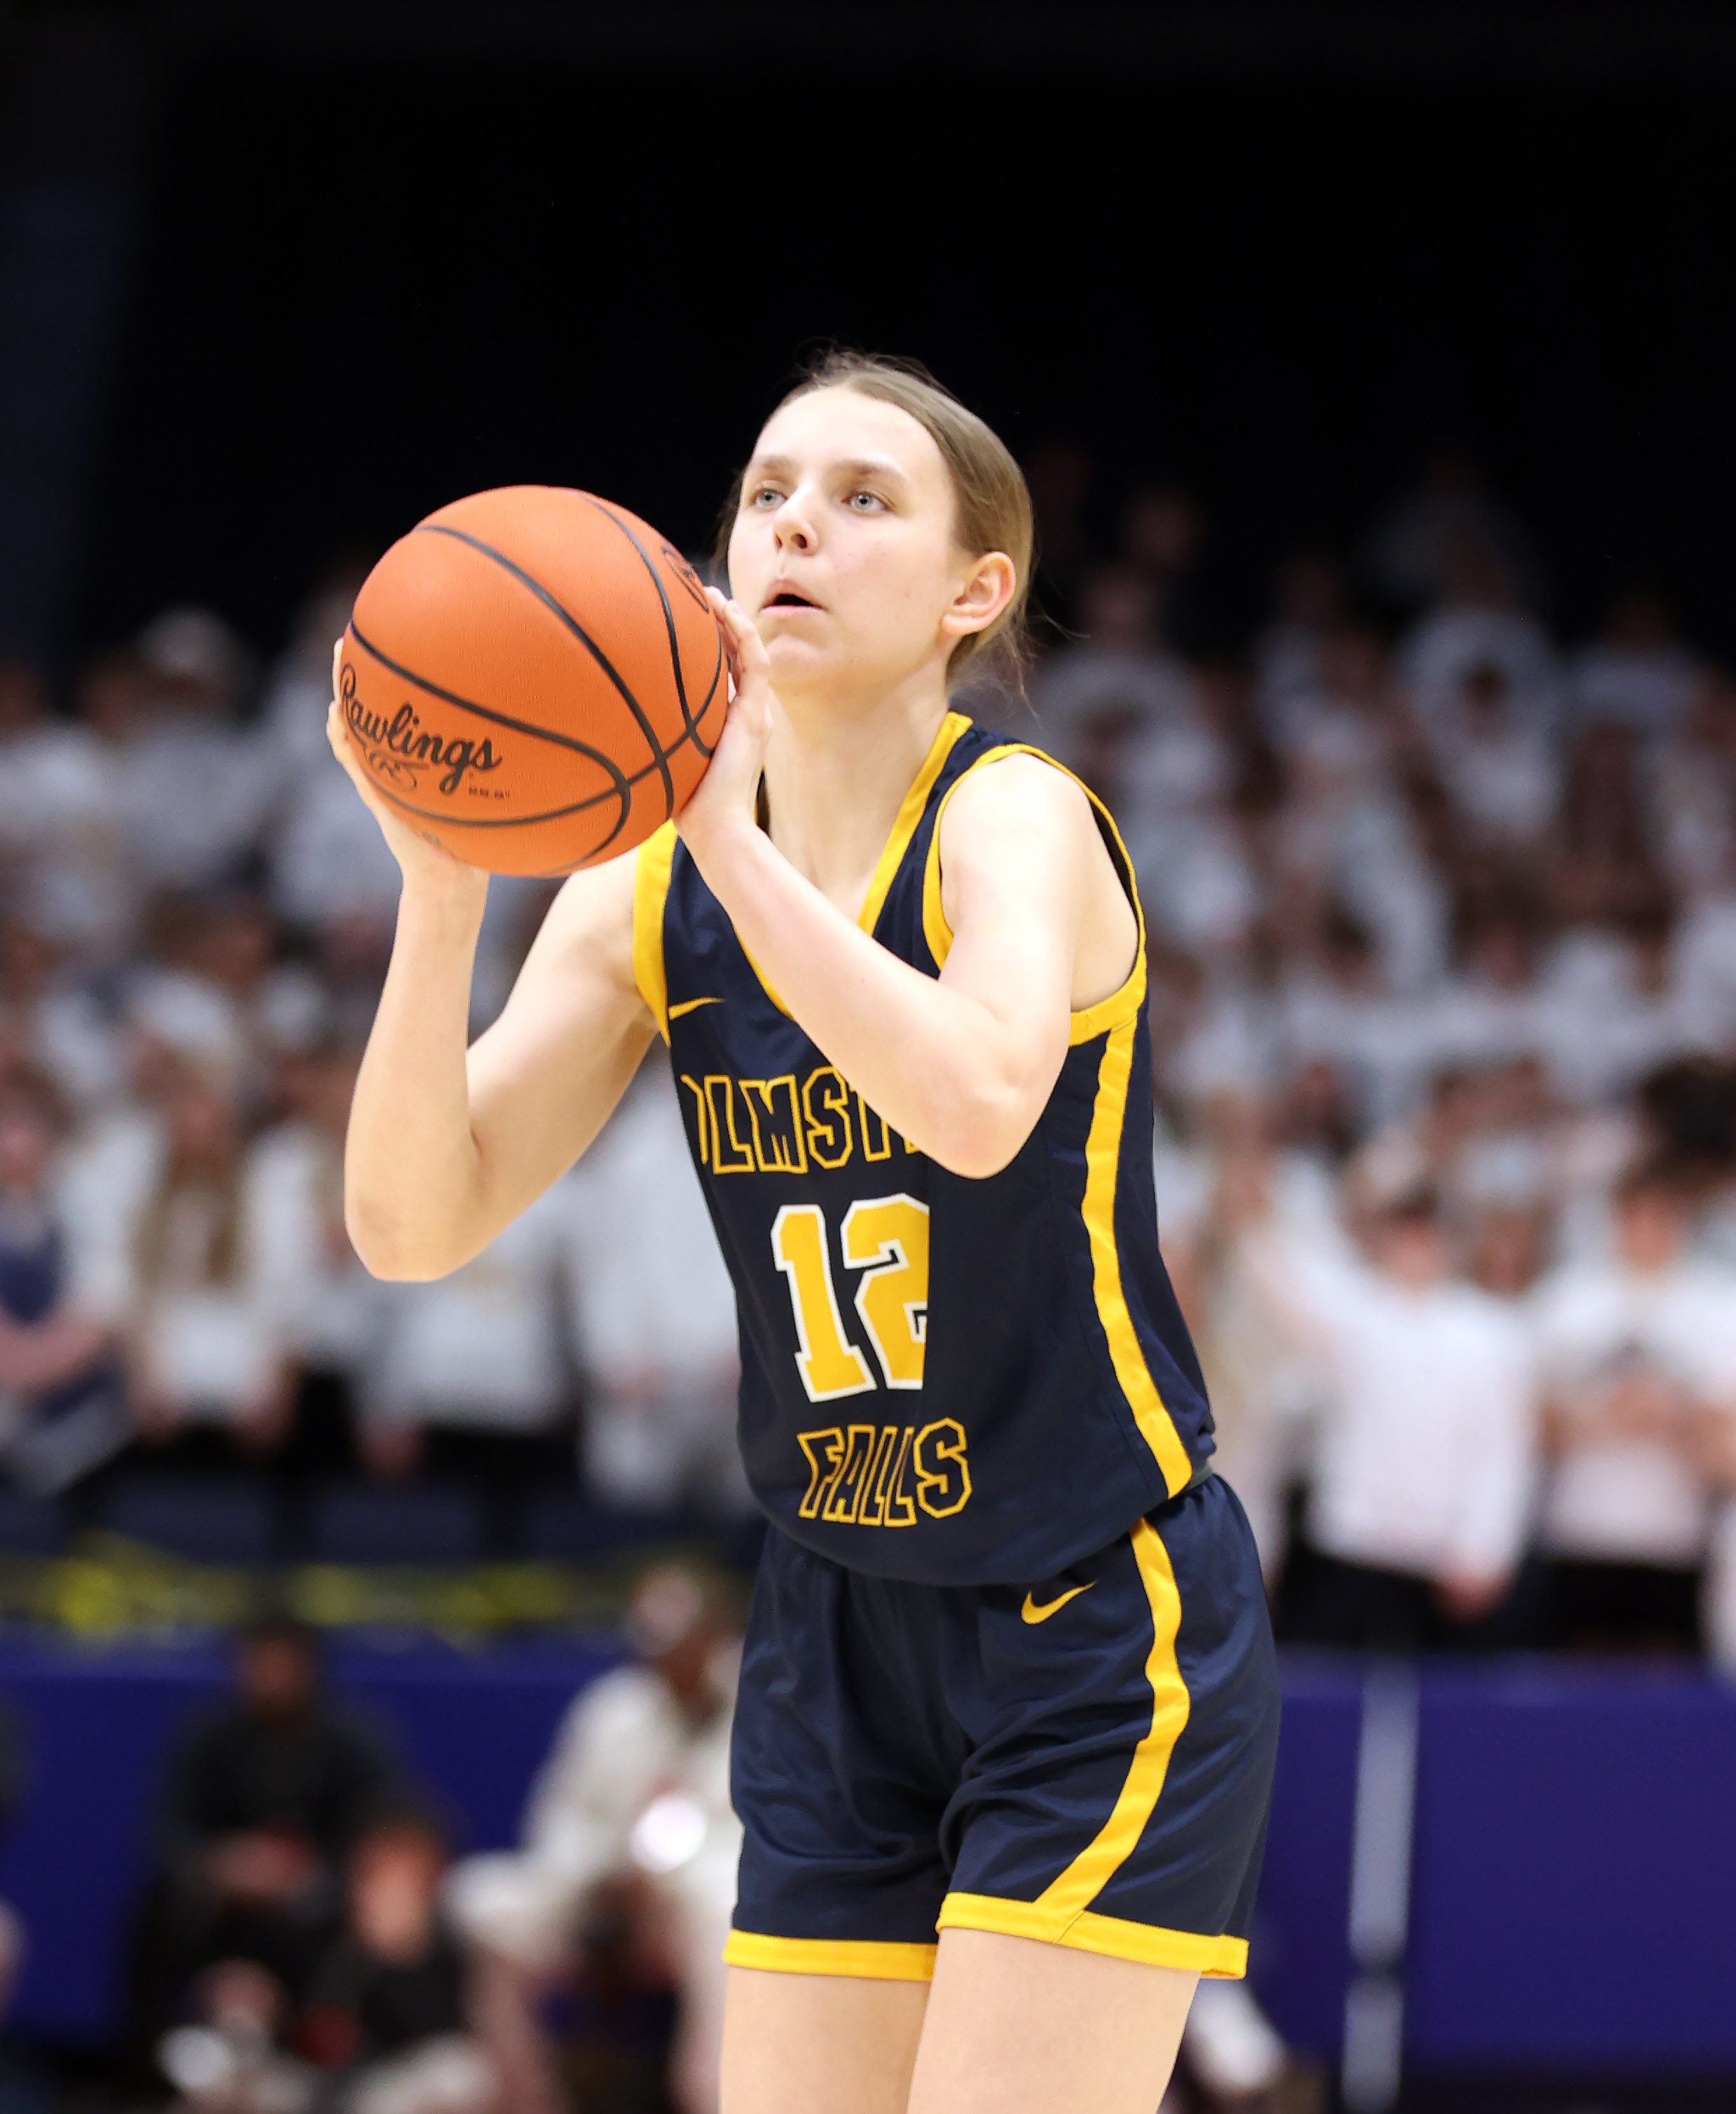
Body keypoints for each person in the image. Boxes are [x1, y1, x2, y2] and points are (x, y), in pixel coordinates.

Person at [332, 350, 1279, 2114]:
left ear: (972, 593)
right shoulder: (643, 889)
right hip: (836, 1615)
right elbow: (409, 1221)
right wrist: (441, 876)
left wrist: (715, 826)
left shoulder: (1014, 815)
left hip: (1089, 1614)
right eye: (768, 493)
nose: (796, 527)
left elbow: (981, 1100)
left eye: (863, 500)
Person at [446, 1565, 741, 2114]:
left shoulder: (762, 1708)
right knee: (481, 1899)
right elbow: (557, 1822)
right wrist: (609, 1871)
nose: (672, 1660)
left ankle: (712, 2097)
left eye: (686, 1644)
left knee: (728, 1916)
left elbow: (762, 1839)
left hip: (701, 1904)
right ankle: (528, 2096)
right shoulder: (612, 1709)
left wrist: (664, 1878)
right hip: (603, 1890)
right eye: (659, 1646)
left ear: (715, 1637)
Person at [131, 1615, 405, 2050]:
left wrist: (302, 1874)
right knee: (159, 1905)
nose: (265, 1676)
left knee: (381, 1914)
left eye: (278, 1662)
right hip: (226, 1913)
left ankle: (336, 2053)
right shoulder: (211, 1738)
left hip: (319, 1912)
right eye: (254, 1661)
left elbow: (383, 1837)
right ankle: (150, 2062)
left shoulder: (353, 1743)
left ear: (307, 1666)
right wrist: (225, 1864)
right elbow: (170, 1831)